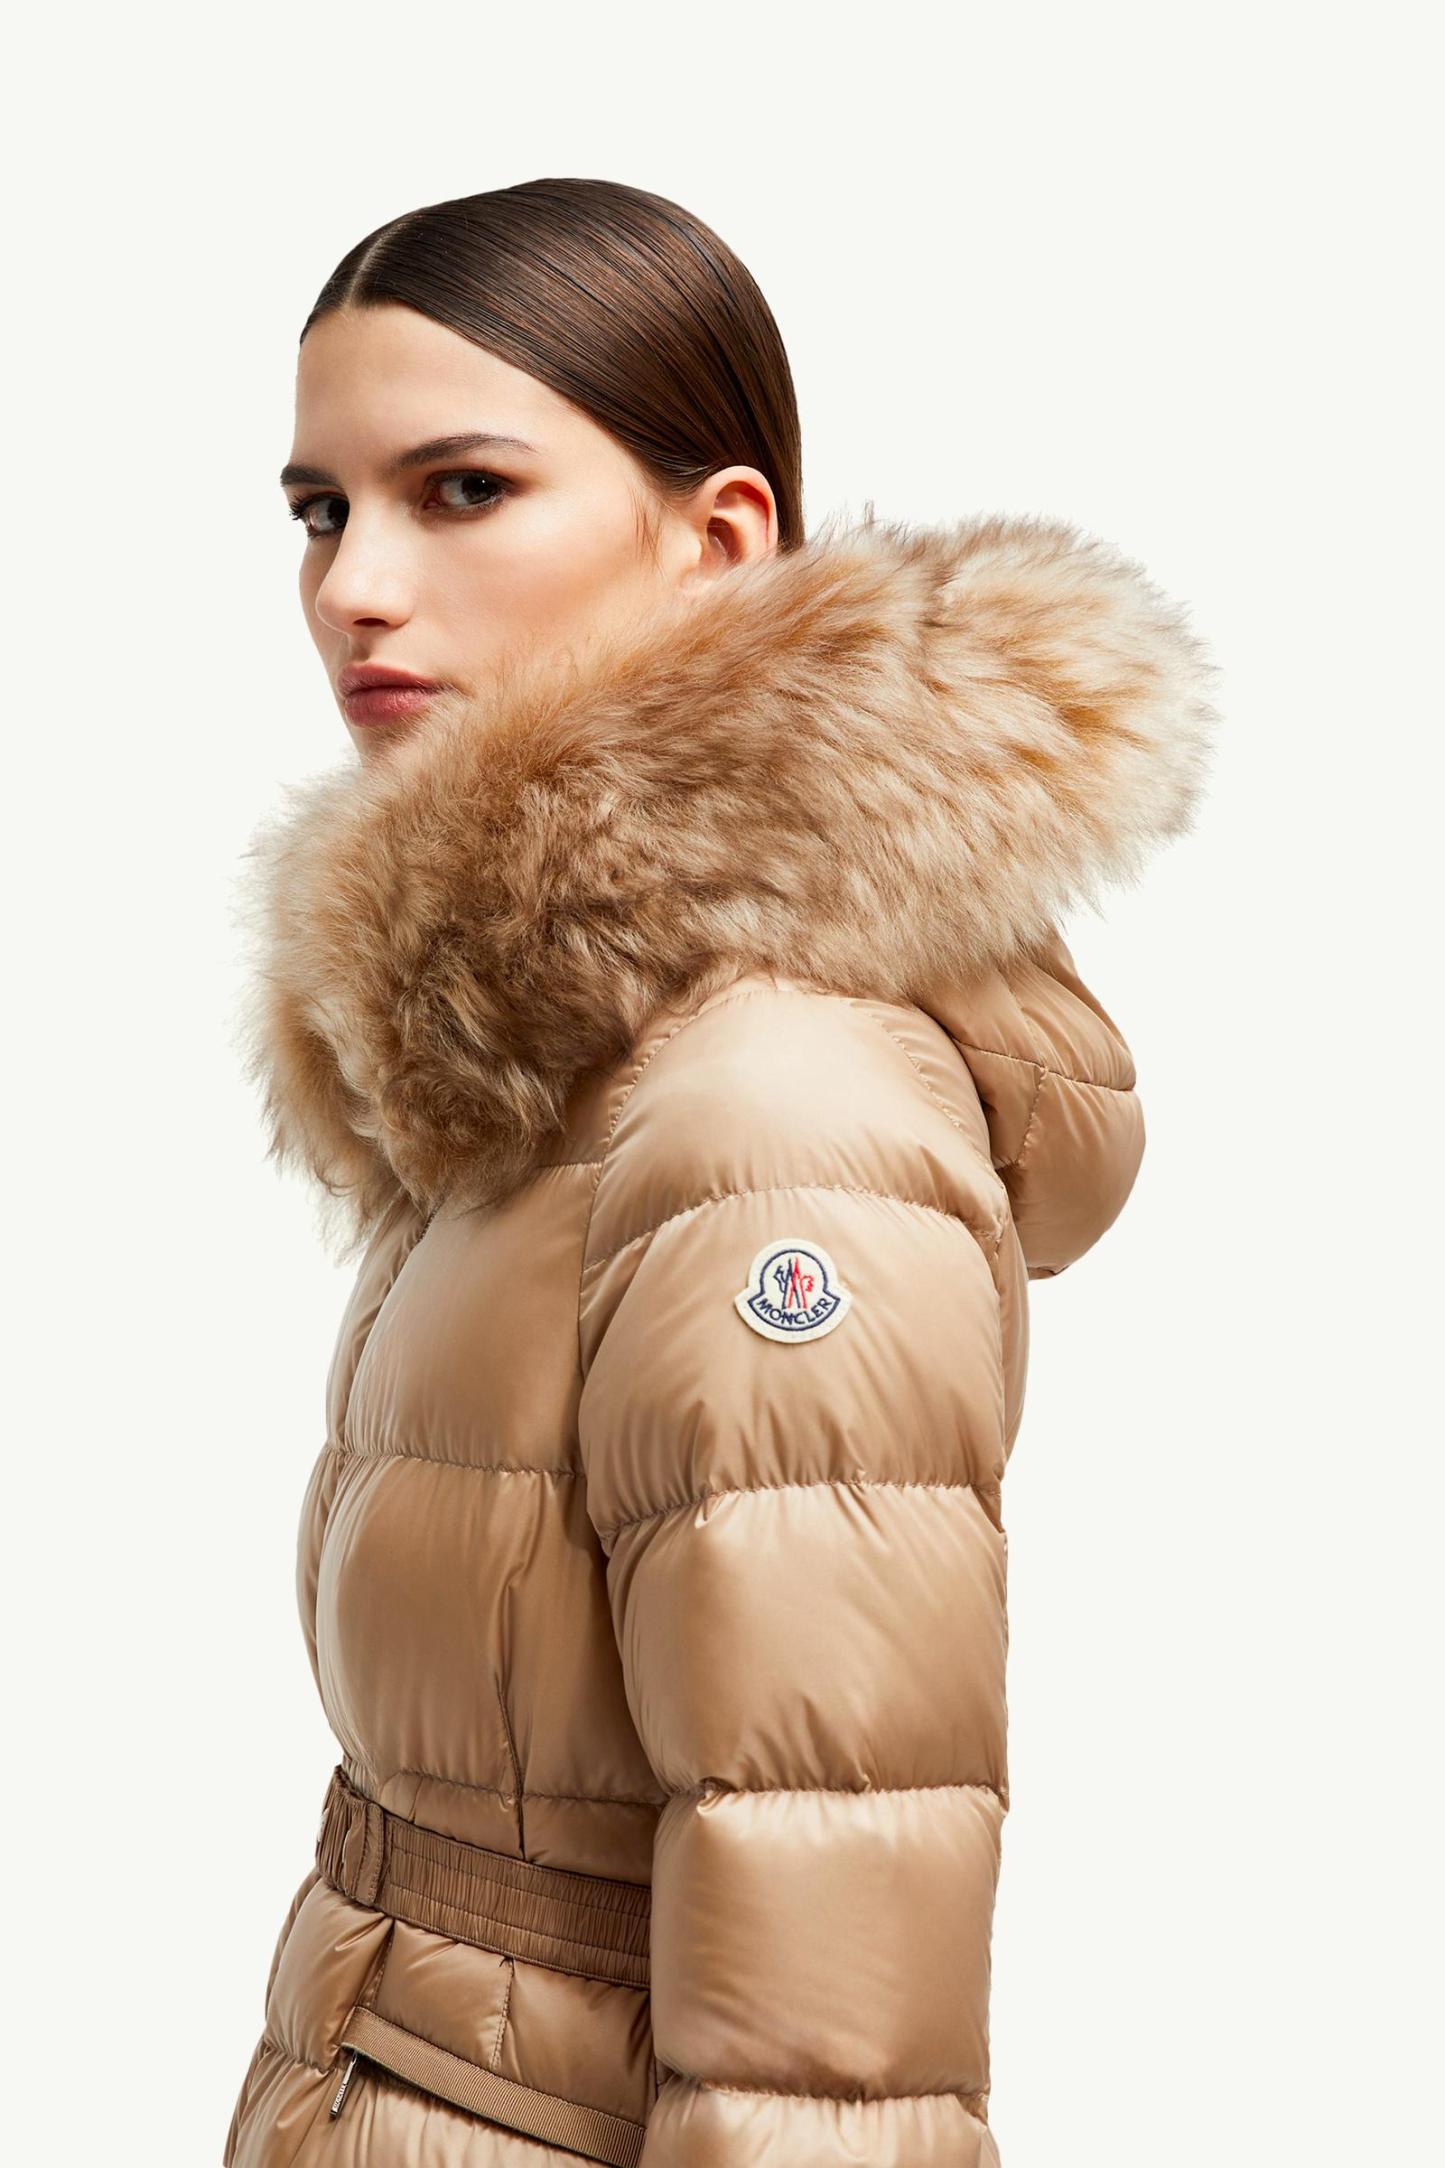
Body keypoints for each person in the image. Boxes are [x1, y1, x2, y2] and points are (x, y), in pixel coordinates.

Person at [225, 177, 1217, 2168]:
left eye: (462, 490)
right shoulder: (553, 1056)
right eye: (320, 510)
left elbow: (832, 1994)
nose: (353, 588)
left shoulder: (767, 1111)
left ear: (721, 537)